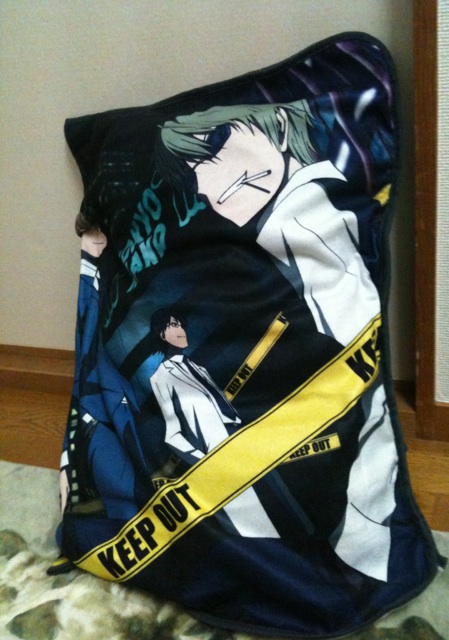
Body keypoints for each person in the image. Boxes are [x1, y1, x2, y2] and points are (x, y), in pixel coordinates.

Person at [155, 102, 399, 581]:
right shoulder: (288, 222)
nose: (207, 183)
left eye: (216, 145)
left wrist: (362, 529)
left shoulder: (294, 219)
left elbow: (355, 365)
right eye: (193, 170)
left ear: (282, 128)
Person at [149, 307, 280, 539]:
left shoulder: (199, 369)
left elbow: (224, 409)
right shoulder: (161, 377)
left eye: (181, 325)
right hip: (218, 461)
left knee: (279, 506)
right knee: (256, 527)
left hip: (244, 447)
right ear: (162, 334)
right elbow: (172, 435)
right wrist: (204, 462)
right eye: (174, 325)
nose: (181, 330)